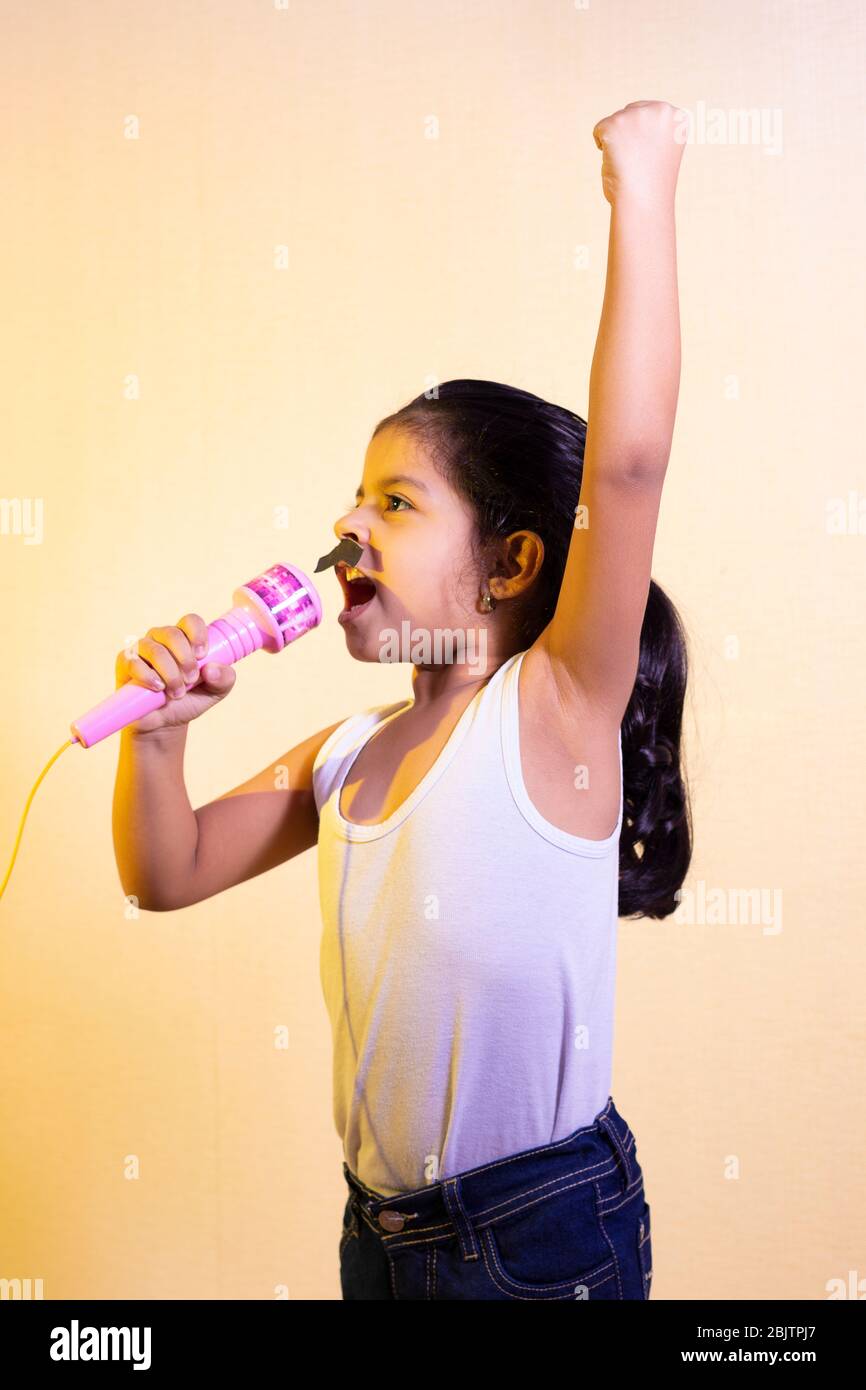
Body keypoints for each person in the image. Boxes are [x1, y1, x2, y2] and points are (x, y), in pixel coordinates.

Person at [112, 100, 691, 1300]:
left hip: (537, 1234)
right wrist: (160, 744)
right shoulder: (345, 753)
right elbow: (164, 875)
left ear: (515, 564)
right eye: (351, 498)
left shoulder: (550, 707)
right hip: (377, 1232)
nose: (345, 525)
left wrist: (642, 188)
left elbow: (627, 467)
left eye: (394, 502)